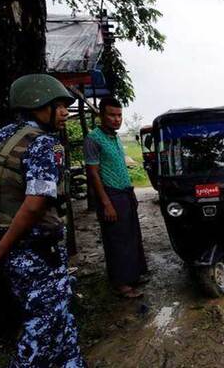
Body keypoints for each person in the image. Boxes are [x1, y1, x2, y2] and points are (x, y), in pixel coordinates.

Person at [0, 73, 85, 367]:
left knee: (60, 316)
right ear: (37, 105)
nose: (65, 112)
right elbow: (34, 204)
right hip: (36, 251)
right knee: (41, 327)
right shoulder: (45, 145)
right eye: (59, 105)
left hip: (8, 252)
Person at [84, 97, 148, 298]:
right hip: (110, 195)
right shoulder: (93, 139)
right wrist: (105, 203)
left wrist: (131, 193)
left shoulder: (115, 137)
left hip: (125, 193)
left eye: (119, 115)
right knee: (117, 241)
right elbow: (93, 173)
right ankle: (121, 284)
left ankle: (134, 275)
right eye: (111, 115)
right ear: (100, 115)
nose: (116, 119)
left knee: (131, 236)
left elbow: (120, 167)